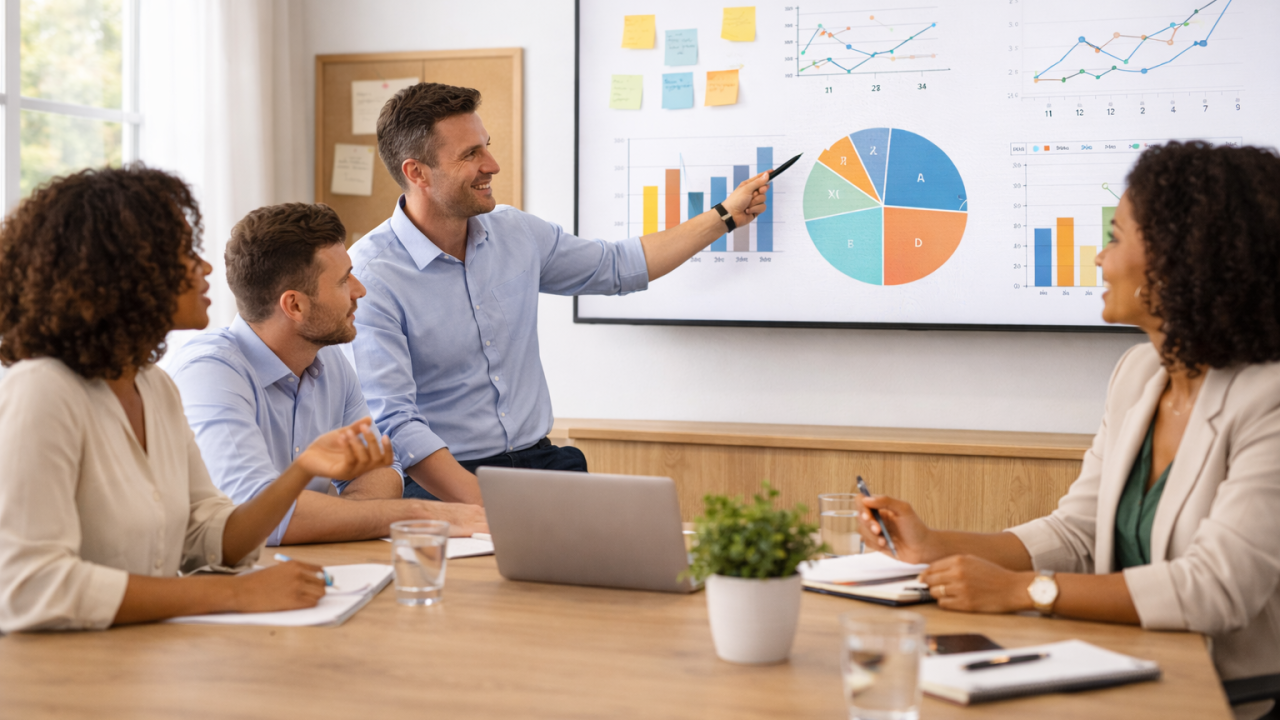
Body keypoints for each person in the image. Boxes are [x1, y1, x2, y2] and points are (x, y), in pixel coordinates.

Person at [856, 142, 1280, 717]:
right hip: (1122, 671)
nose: (1100, 262)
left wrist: (1023, 592)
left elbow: (1214, 589)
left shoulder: (1270, 400)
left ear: (1182, 256)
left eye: (1114, 238)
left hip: (1221, 697)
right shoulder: (1139, 374)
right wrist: (936, 544)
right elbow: (1077, 535)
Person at [0, 166, 393, 631]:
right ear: (122, 274)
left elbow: (211, 538)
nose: (205, 268)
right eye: (184, 254)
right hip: (68, 687)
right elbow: (29, 585)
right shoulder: (43, 389)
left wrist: (303, 469)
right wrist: (232, 594)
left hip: (146, 664)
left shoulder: (154, 387)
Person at [348, 82, 770, 503]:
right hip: (443, 483)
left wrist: (725, 217)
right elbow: (396, 423)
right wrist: (491, 508)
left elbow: (617, 266)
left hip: (540, 465)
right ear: (416, 172)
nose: (492, 165)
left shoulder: (515, 232)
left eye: (486, 146)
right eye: (470, 154)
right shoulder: (371, 277)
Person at [167, 203, 487, 546]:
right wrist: (421, 514)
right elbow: (258, 516)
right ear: (295, 306)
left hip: (311, 566)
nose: (359, 289)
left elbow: (382, 470)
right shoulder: (209, 373)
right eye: (342, 280)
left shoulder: (328, 361)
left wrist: (342, 519)